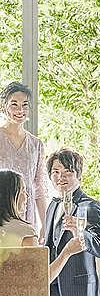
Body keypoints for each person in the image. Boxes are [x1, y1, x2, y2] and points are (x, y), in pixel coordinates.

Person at [45, 148, 100, 296]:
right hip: (51, 287)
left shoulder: (90, 206)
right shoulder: (52, 205)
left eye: (67, 172)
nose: (61, 177)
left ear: (78, 175)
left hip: (77, 292)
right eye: (56, 172)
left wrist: (82, 234)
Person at [0, 168, 86, 281]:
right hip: (17, 293)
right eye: (23, 191)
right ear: (11, 196)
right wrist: (67, 252)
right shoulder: (25, 233)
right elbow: (41, 280)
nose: (27, 196)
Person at [0, 82, 48, 235]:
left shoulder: (36, 144)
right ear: (4, 106)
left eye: (24, 105)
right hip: (2, 212)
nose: (20, 110)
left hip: (27, 214)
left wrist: (45, 224)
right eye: (14, 104)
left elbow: (39, 188)